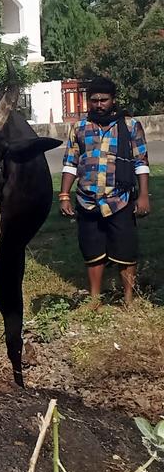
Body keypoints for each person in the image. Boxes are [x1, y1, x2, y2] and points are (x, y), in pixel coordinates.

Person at [59, 76, 150, 308]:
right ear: (88, 101)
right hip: (87, 199)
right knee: (91, 249)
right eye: (94, 100)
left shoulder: (130, 126)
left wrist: (143, 195)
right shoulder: (79, 128)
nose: (99, 104)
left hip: (120, 198)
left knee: (126, 249)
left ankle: (128, 299)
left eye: (104, 100)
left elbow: (141, 162)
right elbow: (70, 163)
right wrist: (64, 195)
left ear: (113, 100)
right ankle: (95, 298)